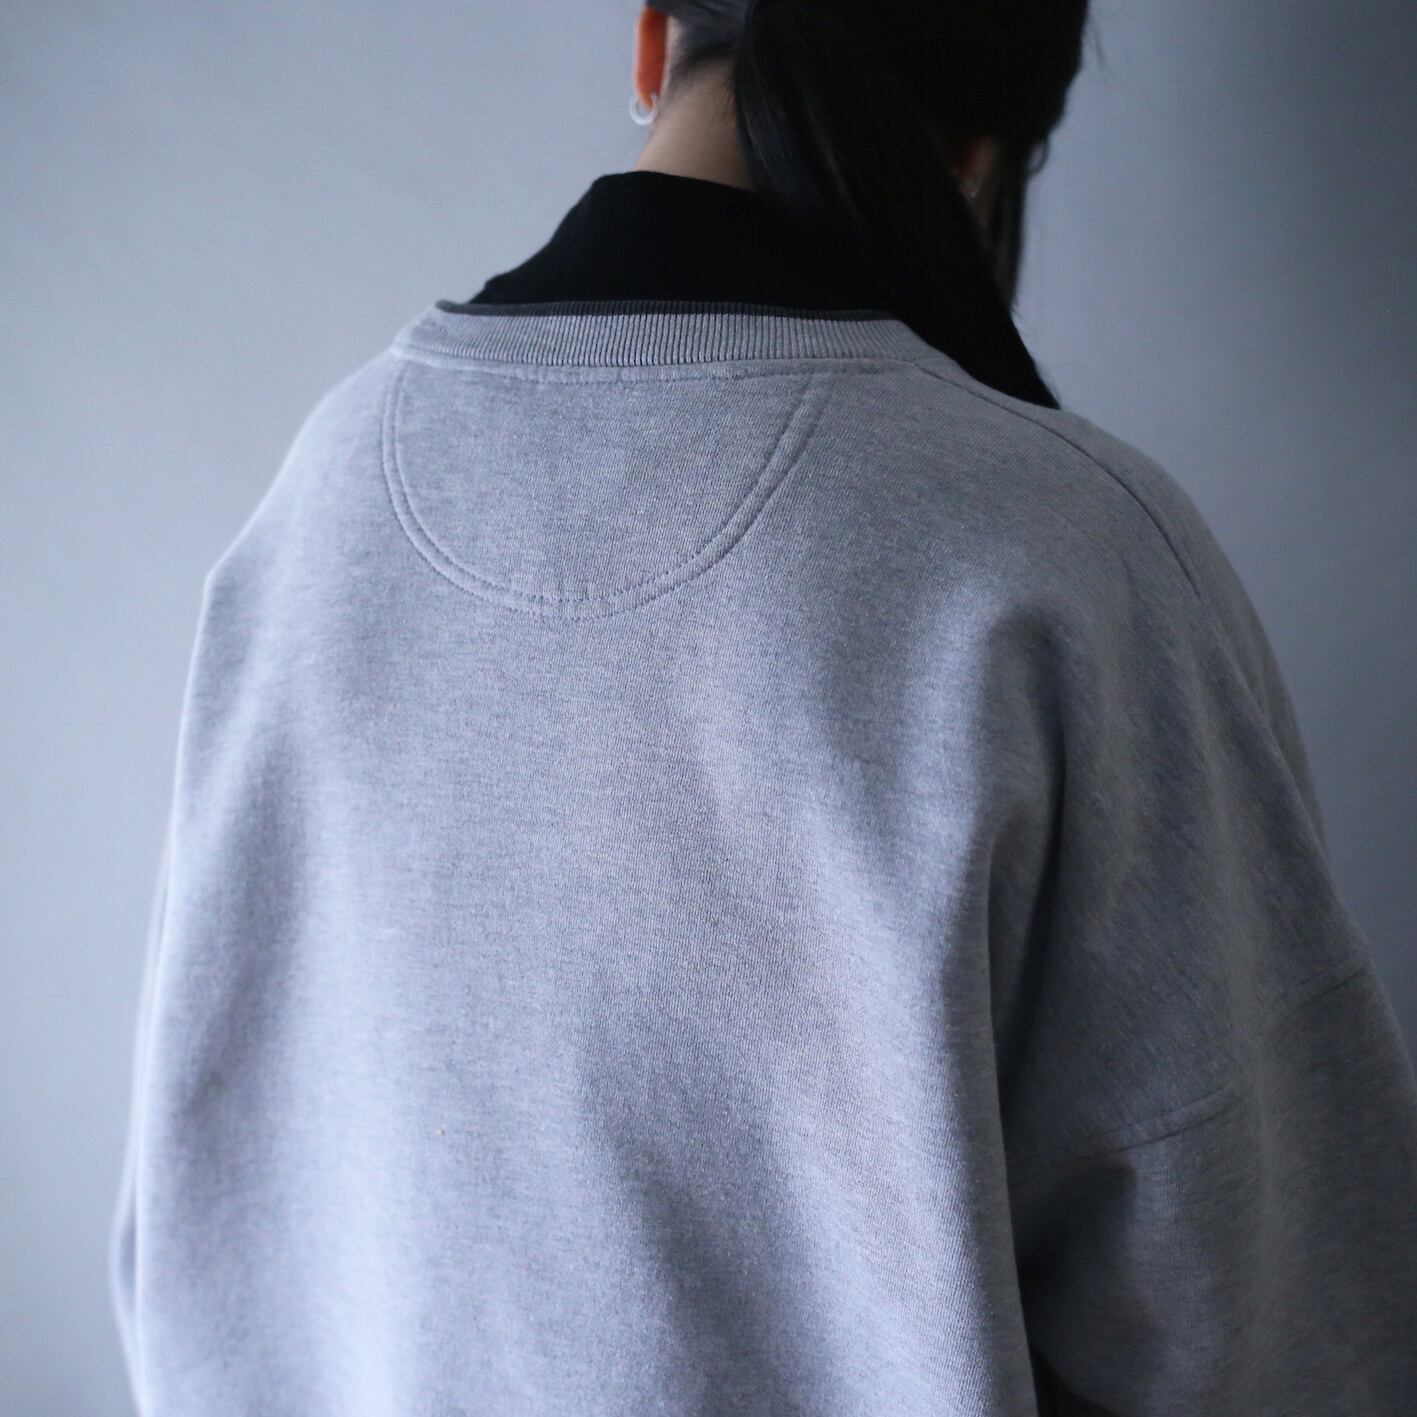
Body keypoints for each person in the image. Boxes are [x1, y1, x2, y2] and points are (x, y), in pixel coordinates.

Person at [109, 3, 1417, 1414]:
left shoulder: (323, 502)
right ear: (981, 153)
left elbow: (192, 1236)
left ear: (650, 39)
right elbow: (1284, 1325)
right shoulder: (1059, 551)